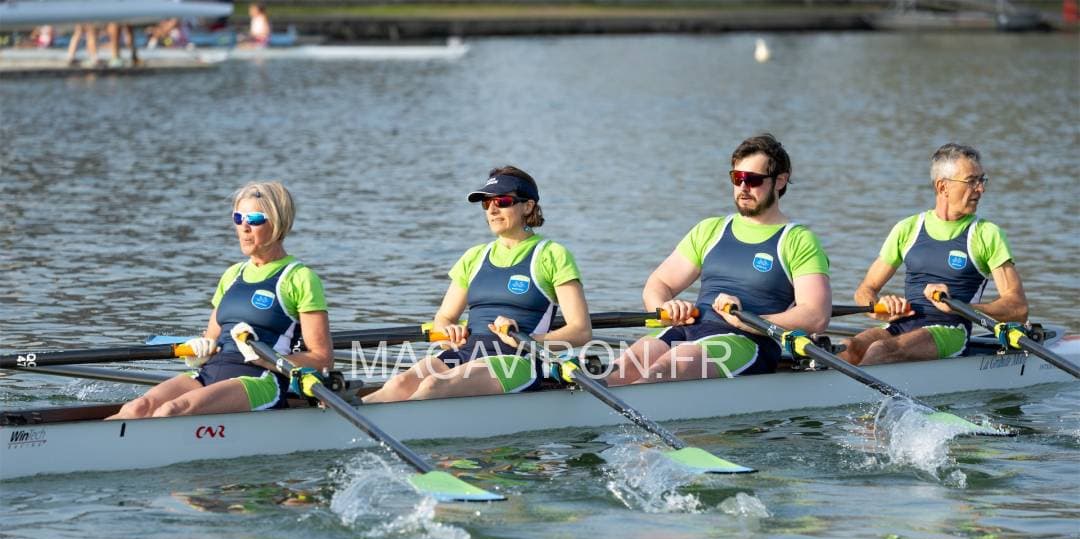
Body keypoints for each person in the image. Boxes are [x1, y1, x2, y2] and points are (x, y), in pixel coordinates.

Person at [607, 133, 831, 385]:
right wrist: (664, 308)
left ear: (780, 181)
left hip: (748, 341)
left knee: (670, 365)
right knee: (623, 367)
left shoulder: (798, 240)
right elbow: (659, 283)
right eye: (737, 178)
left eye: (753, 180)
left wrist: (748, 321)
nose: (743, 187)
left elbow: (816, 316)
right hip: (689, 328)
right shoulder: (710, 230)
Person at [363, 166, 592, 403]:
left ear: (528, 206)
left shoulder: (552, 255)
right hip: (466, 351)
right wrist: (448, 331)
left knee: (433, 384)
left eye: (502, 201)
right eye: (486, 203)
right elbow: (444, 317)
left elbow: (581, 331)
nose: (492, 210)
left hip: (518, 359)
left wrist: (527, 340)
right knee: (400, 383)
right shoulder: (474, 256)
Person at [108, 181, 333, 419]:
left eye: (254, 219)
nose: (244, 227)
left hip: (260, 379)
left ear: (278, 223)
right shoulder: (232, 275)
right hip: (211, 371)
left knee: (171, 410)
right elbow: (211, 341)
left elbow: (322, 359)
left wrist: (265, 359)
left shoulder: (300, 278)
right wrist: (199, 352)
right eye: (238, 218)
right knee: (137, 408)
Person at [837, 143, 1028, 366]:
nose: (980, 189)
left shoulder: (987, 234)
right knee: (848, 347)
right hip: (902, 324)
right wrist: (879, 308)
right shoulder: (908, 228)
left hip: (950, 329)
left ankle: (855, 388)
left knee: (881, 350)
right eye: (971, 181)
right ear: (942, 186)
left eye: (981, 180)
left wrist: (960, 307)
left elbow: (1018, 307)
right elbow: (865, 290)